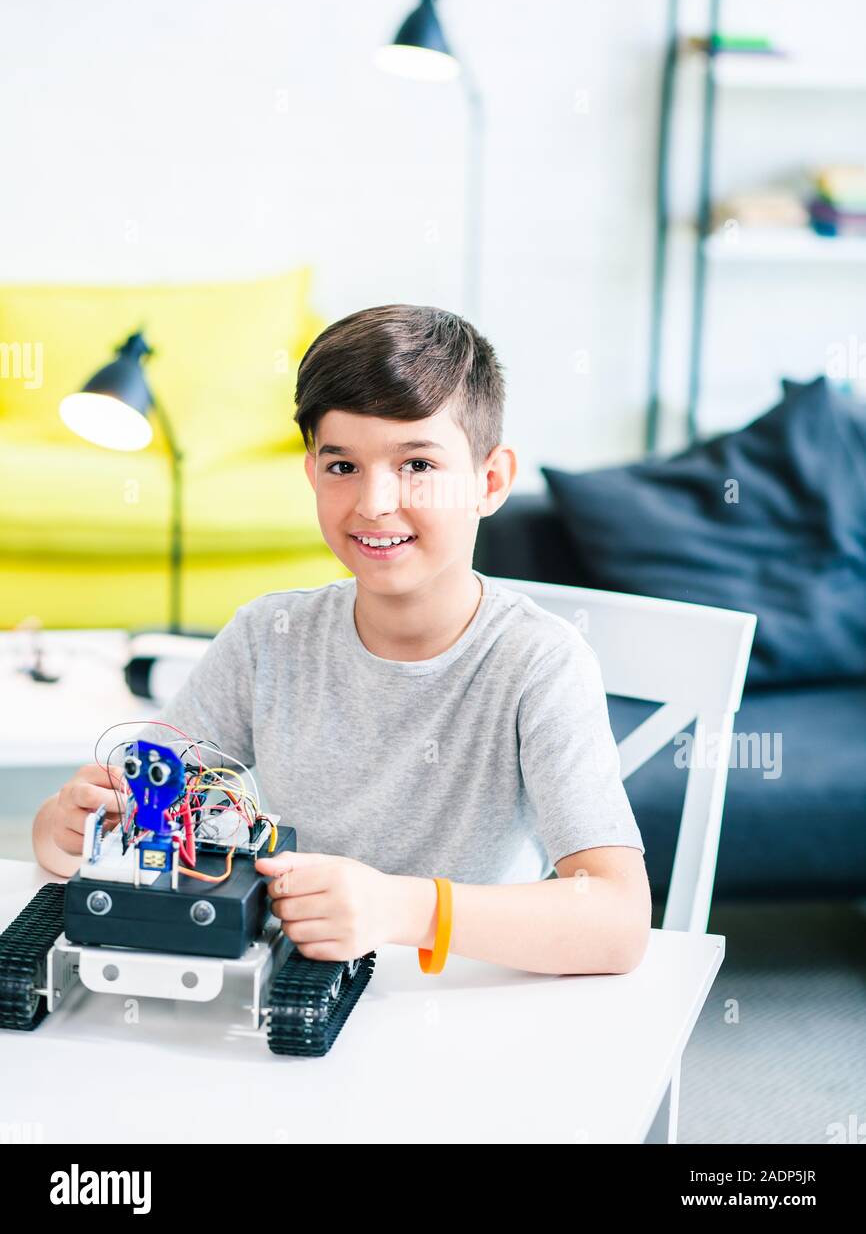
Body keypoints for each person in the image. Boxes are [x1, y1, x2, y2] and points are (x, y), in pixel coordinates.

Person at [32, 303, 650, 975]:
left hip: (464, 1005)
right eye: (342, 466)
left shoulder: (540, 662)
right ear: (311, 473)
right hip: (292, 988)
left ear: (490, 481)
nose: (374, 502)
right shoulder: (269, 637)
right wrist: (66, 829)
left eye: (416, 464)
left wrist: (400, 909)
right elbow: (134, 799)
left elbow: (616, 921)